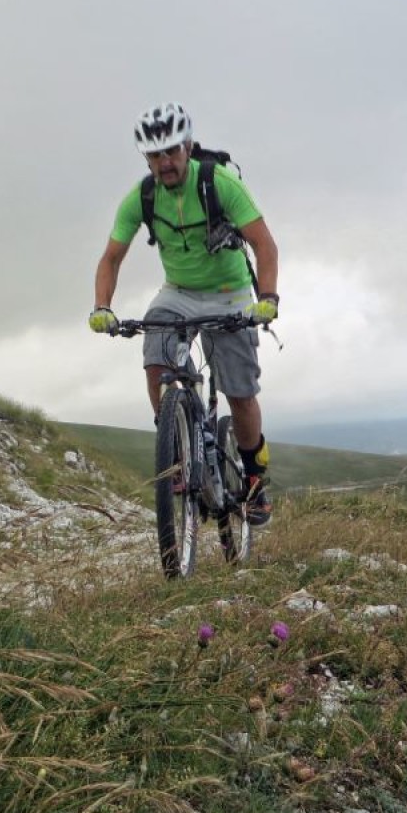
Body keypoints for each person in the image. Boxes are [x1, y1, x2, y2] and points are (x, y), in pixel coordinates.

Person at [89, 102, 280, 525]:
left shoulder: (220, 183)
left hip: (230, 295)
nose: (165, 162)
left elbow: (264, 245)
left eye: (172, 152)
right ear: (146, 158)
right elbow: (111, 259)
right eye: (155, 155)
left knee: (240, 390)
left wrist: (267, 298)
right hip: (178, 293)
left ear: (188, 146)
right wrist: (102, 307)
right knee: (155, 350)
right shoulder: (142, 197)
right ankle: (175, 442)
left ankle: (253, 481)